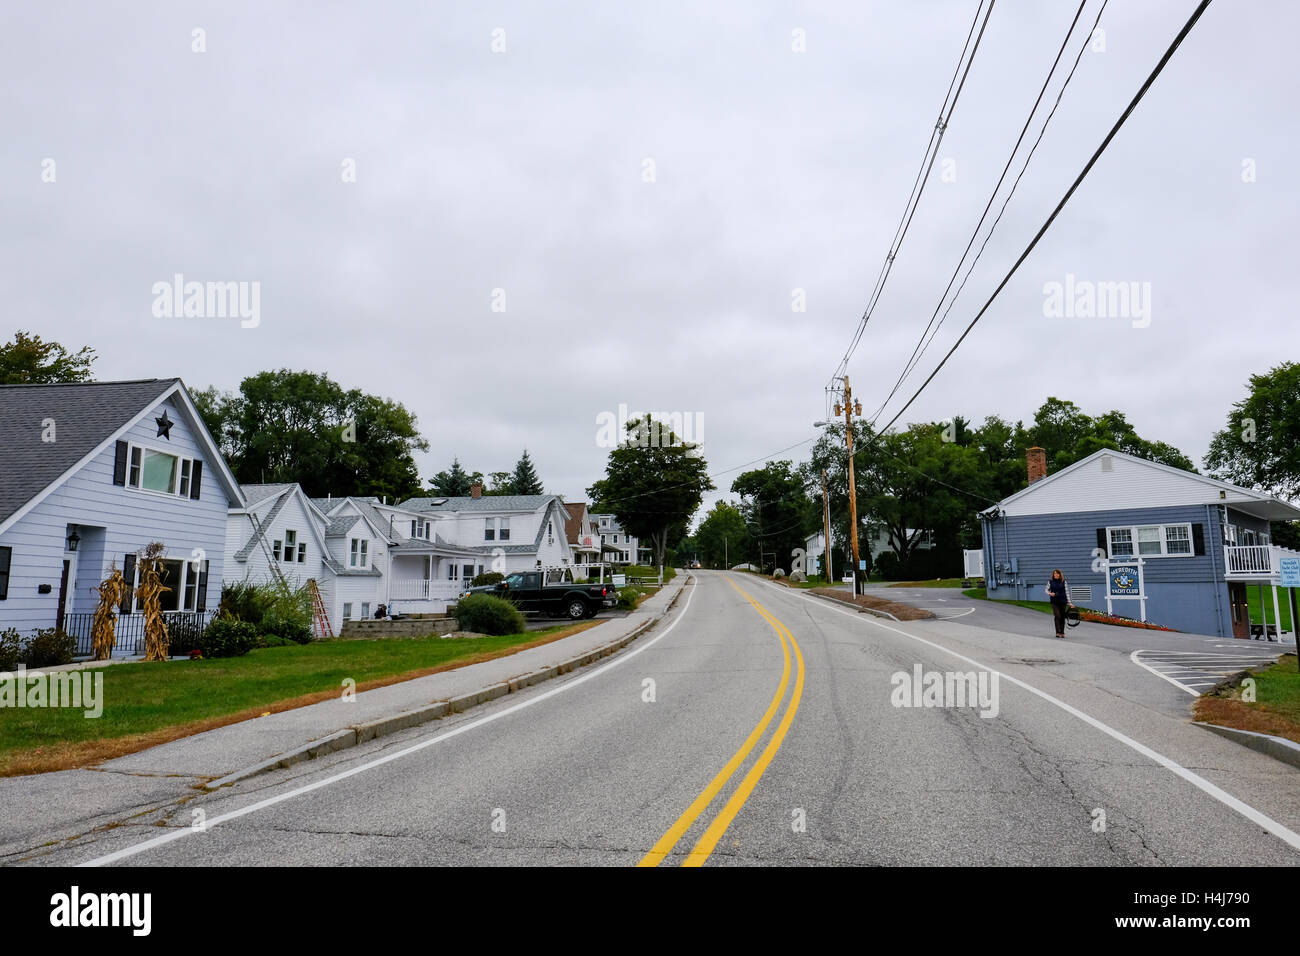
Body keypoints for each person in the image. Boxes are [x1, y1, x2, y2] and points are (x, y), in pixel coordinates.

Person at [1045, 569, 1073, 639]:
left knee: (1062, 617)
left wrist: (1069, 602)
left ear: (1060, 575)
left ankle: (1062, 632)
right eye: (1054, 573)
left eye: (1057, 573)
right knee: (1057, 616)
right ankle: (1057, 632)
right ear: (1053, 575)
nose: (1056, 575)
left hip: (1063, 601)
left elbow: (1067, 592)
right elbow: (1046, 590)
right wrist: (1049, 593)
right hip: (1054, 602)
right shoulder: (1050, 582)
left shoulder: (1064, 582)